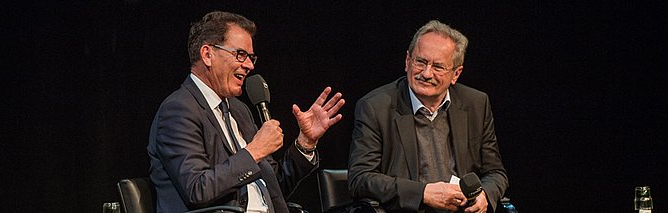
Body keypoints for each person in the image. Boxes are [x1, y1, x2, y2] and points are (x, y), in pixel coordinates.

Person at [148, 11, 345, 213]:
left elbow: (275, 187)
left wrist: (305, 143)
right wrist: (255, 150)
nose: (249, 65)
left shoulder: (238, 109)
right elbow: (198, 189)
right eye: (240, 55)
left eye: (251, 57)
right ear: (207, 54)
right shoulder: (178, 110)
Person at [348, 20, 508, 213]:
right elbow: (360, 178)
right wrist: (423, 193)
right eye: (421, 62)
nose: (426, 73)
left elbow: (496, 173)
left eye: (438, 67)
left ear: (456, 74)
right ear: (407, 61)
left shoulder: (476, 103)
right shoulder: (375, 107)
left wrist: (484, 196)